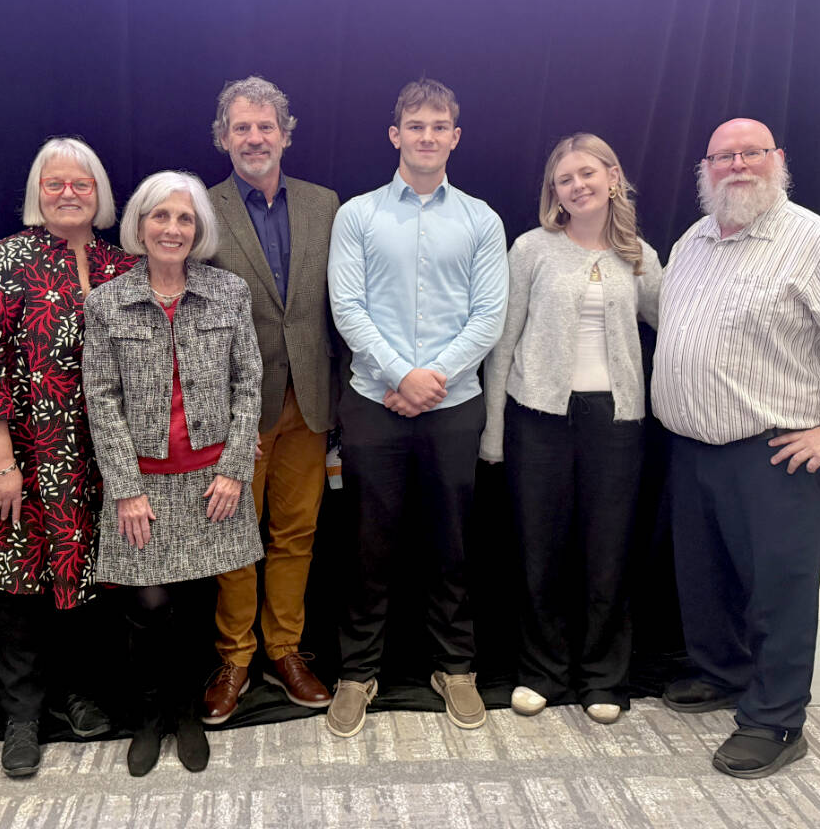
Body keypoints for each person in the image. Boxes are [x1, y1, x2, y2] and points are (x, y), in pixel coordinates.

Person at [653, 117, 820, 778]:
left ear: (778, 159)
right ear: (705, 168)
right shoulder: (692, 241)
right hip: (692, 445)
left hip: (773, 452)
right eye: (723, 156)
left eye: (751, 153)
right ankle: (724, 674)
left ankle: (777, 720)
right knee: (705, 581)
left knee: (778, 591)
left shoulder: (815, 244)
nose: (737, 165)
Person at [0, 136, 139, 777]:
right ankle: (22, 716)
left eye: (81, 184)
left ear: (99, 194)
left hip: (102, 458)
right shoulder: (2, 260)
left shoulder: (123, 264)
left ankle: (79, 695)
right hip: (23, 454)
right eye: (54, 183)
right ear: (37, 192)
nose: (67, 194)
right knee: (19, 588)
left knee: (93, 579)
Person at [326, 78, 508, 738]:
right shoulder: (359, 215)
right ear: (394, 134)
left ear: (455, 137)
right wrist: (402, 375)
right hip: (373, 402)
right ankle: (357, 672)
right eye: (415, 125)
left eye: (438, 126)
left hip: (454, 405)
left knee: (450, 542)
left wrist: (433, 379)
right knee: (367, 544)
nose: (427, 136)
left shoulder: (482, 220)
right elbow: (348, 307)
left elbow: (488, 316)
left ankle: (454, 666)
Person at [83, 170, 264, 776]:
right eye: (160, 216)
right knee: (149, 605)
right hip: (143, 485)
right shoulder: (107, 302)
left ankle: (187, 712)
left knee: (194, 603)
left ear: (198, 230)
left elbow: (249, 383)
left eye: (185, 218)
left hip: (212, 481)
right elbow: (101, 398)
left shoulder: (228, 292)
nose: (172, 228)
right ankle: (148, 716)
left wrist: (235, 470)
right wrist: (125, 489)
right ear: (140, 226)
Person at [481, 133, 661, 726]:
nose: (578, 186)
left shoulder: (639, 254)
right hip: (538, 418)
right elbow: (503, 342)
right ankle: (542, 672)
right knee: (539, 549)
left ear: (613, 177)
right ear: (553, 192)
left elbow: (674, 324)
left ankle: (604, 677)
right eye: (565, 179)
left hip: (616, 421)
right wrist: (494, 432)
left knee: (607, 551)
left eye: (587, 174)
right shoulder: (531, 249)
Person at [203, 76, 340, 722]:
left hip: (309, 400)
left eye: (265, 127)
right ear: (223, 137)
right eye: (242, 127)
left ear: (285, 134)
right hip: (237, 410)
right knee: (234, 537)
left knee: (296, 533)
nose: (254, 138)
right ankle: (235, 656)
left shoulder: (325, 205)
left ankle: (285, 649)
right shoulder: (202, 210)